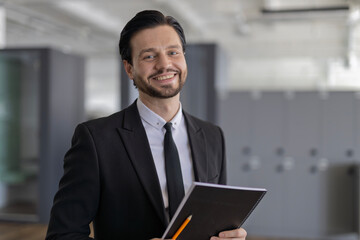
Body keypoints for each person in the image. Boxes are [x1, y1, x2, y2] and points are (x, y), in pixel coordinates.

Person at [46, 10, 247, 240]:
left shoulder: (212, 136)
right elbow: (62, 235)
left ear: (184, 58)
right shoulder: (96, 139)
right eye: (149, 56)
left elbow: (215, 220)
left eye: (173, 52)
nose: (165, 65)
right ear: (129, 68)